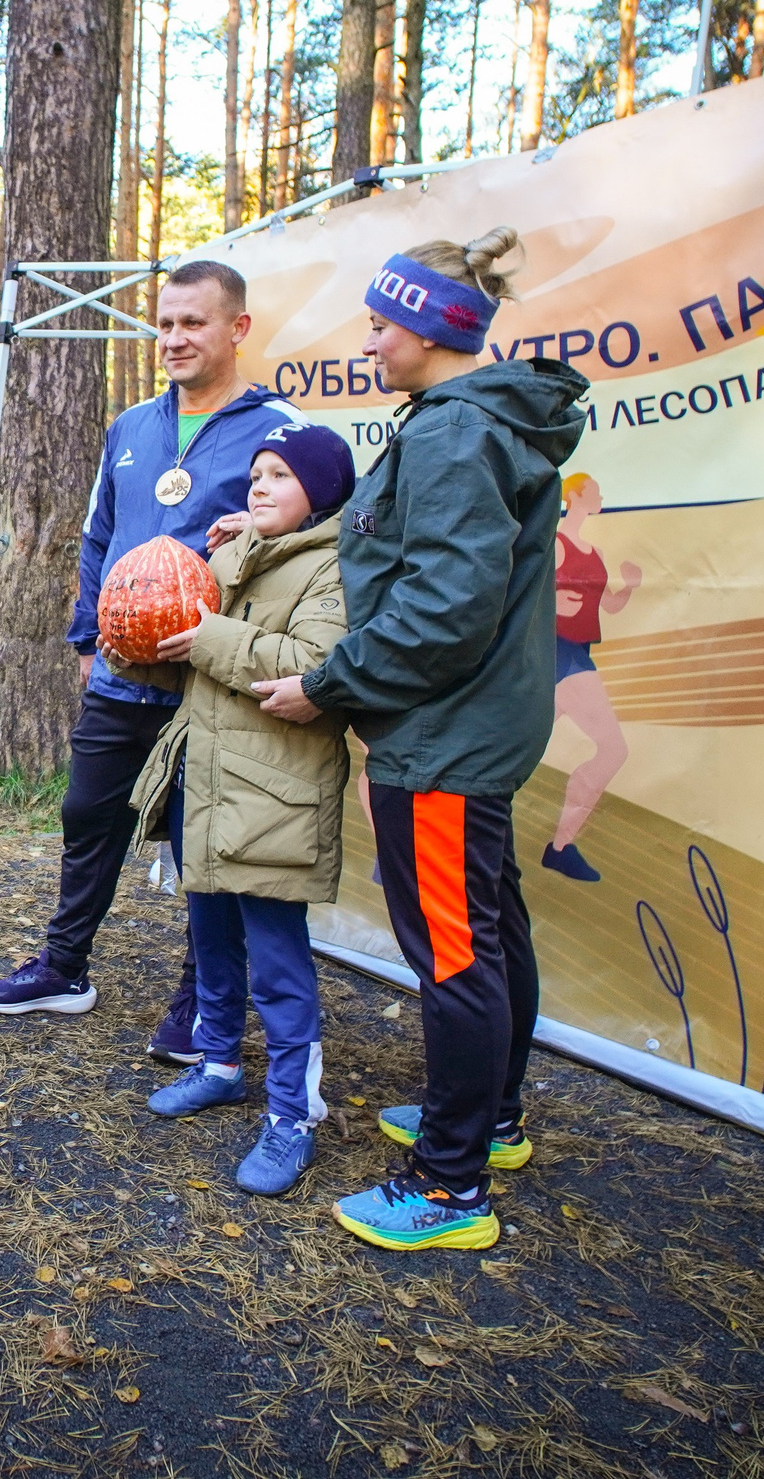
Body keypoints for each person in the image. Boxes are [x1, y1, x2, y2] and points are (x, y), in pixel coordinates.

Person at [251, 228, 585, 1252]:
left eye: (381, 322)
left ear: (429, 330)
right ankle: (489, 1120)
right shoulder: (468, 421)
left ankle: (447, 1189)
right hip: (480, 721)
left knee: (451, 952)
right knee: (489, 929)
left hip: (446, 735)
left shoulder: (452, 434)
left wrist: (328, 683)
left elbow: (445, 606)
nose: (369, 337)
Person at [0, 259, 298, 1063]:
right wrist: (87, 641)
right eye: (166, 323)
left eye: (193, 322)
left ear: (237, 329)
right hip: (120, 669)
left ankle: (202, 1001)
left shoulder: (283, 429)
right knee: (89, 815)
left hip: (211, 680)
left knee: (201, 840)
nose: (175, 338)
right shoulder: (131, 427)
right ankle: (63, 967)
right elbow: (97, 537)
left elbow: (306, 545)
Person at [128, 420, 358, 1196]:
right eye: (256, 472)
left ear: (321, 492)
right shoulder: (225, 558)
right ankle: (218, 1061)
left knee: (280, 965)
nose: (259, 484)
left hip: (275, 798)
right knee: (210, 935)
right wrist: (152, 650)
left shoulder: (336, 568)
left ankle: (292, 1115)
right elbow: (204, 669)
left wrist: (202, 638)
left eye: (280, 475)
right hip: (208, 784)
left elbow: (313, 669)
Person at [542, 472, 640, 882]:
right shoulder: (555, 545)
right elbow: (526, 594)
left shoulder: (594, 551)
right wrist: (553, 600)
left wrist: (631, 586)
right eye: (596, 490)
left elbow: (608, 606)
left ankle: (559, 846)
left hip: (577, 655)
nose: (601, 495)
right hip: (560, 657)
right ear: (576, 496)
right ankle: (560, 846)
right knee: (613, 749)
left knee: (511, 752)